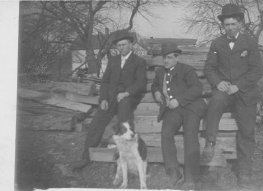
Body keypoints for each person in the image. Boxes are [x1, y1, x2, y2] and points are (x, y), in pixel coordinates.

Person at [201, 3, 263, 189]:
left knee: (246, 130)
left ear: (240, 24)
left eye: (232, 24)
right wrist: (218, 82)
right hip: (224, 90)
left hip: (244, 92)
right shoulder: (217, 43)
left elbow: (257, 70)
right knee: (215, 102)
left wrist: (239, 86)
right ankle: (210, 143)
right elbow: (210, 68)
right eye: (226, 25)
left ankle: (244, 171)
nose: (229, 28)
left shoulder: (250, 42)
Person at [71, 31, 147, 171]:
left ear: (131, 45)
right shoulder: (114, 60)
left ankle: (124, 161)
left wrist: (126, 93)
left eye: (124, 44)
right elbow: (105, 82)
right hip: (111, 97)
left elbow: (141, 83)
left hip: (129, 97)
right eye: (119, 45)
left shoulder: (139, 62)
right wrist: (103, 98)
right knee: (96, 123)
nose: (121, 48)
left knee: (124, 123)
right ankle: (85, 157)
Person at [151, 42, 207, 189]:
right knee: (166, 133)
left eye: (169, 57)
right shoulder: (160, 72)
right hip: (173, 110)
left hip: (191, 107)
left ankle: (191, 177)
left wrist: (179, 100)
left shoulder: (186, 70)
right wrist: (156, 92)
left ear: (177, 57)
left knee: (190, 135)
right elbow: (155, 85)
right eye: (164, 58)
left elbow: (197, 89)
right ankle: (174, 171)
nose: (166, 61)